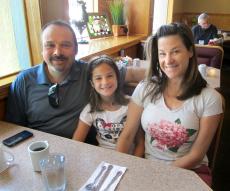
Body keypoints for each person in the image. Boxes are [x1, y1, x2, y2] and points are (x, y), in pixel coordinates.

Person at [116, 23, 223, 186]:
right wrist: (118, 170)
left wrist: (159, 176)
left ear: (190, 51)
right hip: (148, 166)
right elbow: (127, 135)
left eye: (175, 51)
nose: (168, 60)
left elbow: (196, 154)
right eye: (162, 53)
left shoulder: (210, 98)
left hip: (191, 171)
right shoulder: (145, 88)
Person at [5, 20, 145, 140]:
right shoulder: (23, 81)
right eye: (50, 45)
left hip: (83, 150)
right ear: (42, 49)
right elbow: (13, 129)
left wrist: (166, 71)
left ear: (76, 49)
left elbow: (132, 74)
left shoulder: (90, 72)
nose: (57, 52)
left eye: (65, 45)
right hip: (40, 150)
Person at [73, 55, 144, 157]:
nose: (105, 82)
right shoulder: (90, 110)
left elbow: (140, 144)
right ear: (92, 83)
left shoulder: (132, 105)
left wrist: (135, 165)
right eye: (98, 78)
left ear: (117, 78)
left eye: (109, 76)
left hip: (130, 159)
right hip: (102, 160)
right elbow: (76, 143)